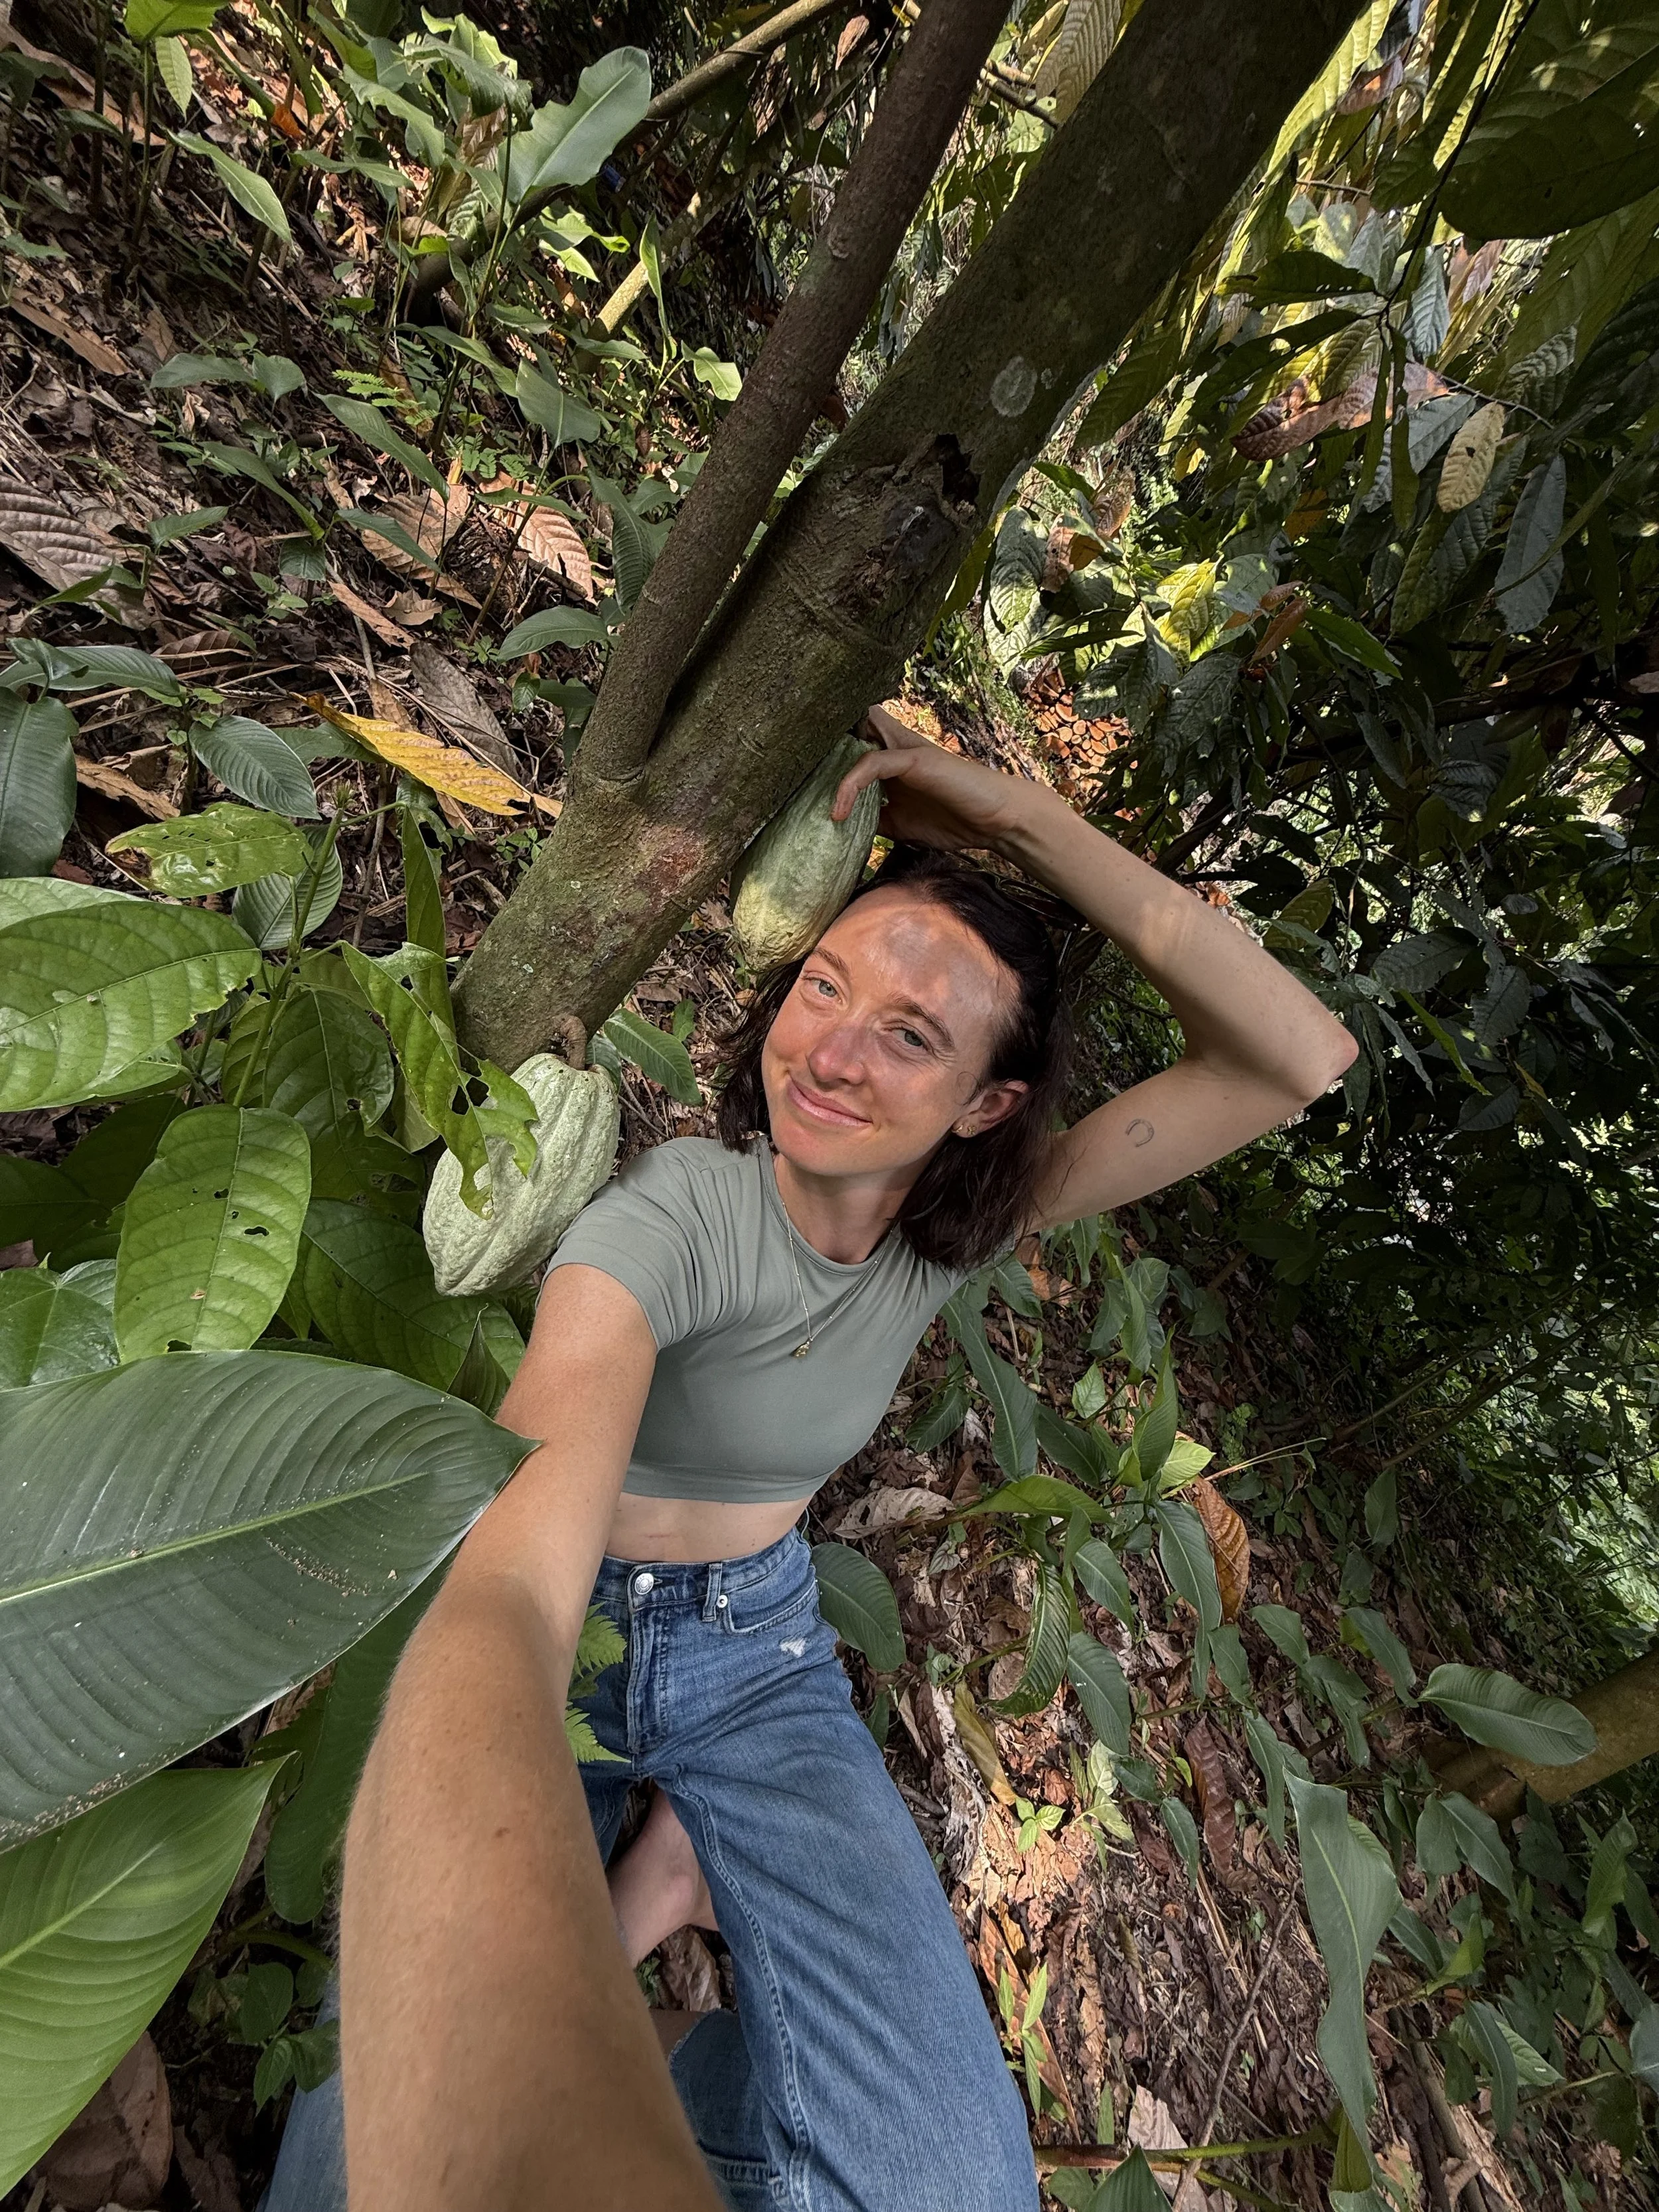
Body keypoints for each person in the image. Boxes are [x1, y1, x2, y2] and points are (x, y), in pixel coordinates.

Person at [265, 707, 1356, 2212]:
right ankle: (657, 1956)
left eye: (910, 1032)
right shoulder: (668, 1218)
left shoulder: (950, 1236)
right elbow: (505, 1593)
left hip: (758, 1660)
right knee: (359, 2171)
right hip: (574, 1630)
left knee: (951, 2191)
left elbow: (1295, 1055)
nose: (829, 1050)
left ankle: (658, 1939)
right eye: (822, 983)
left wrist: (1012, 814)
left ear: (987, 1104)